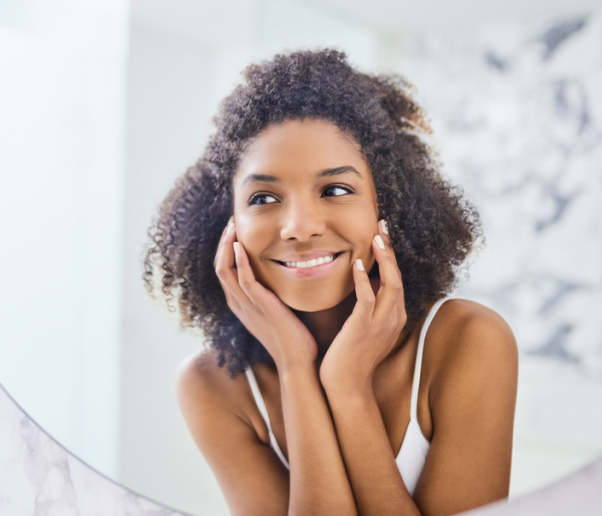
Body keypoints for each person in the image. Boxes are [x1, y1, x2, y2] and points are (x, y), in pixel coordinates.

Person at [146, 50, 518, 516]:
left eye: (336, 190)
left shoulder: (467, 341)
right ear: (228, 225)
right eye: (263, 197)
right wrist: (294, 366)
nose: (300, 227)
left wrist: (347, 387)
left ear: (388, 205)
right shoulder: (212, 386)